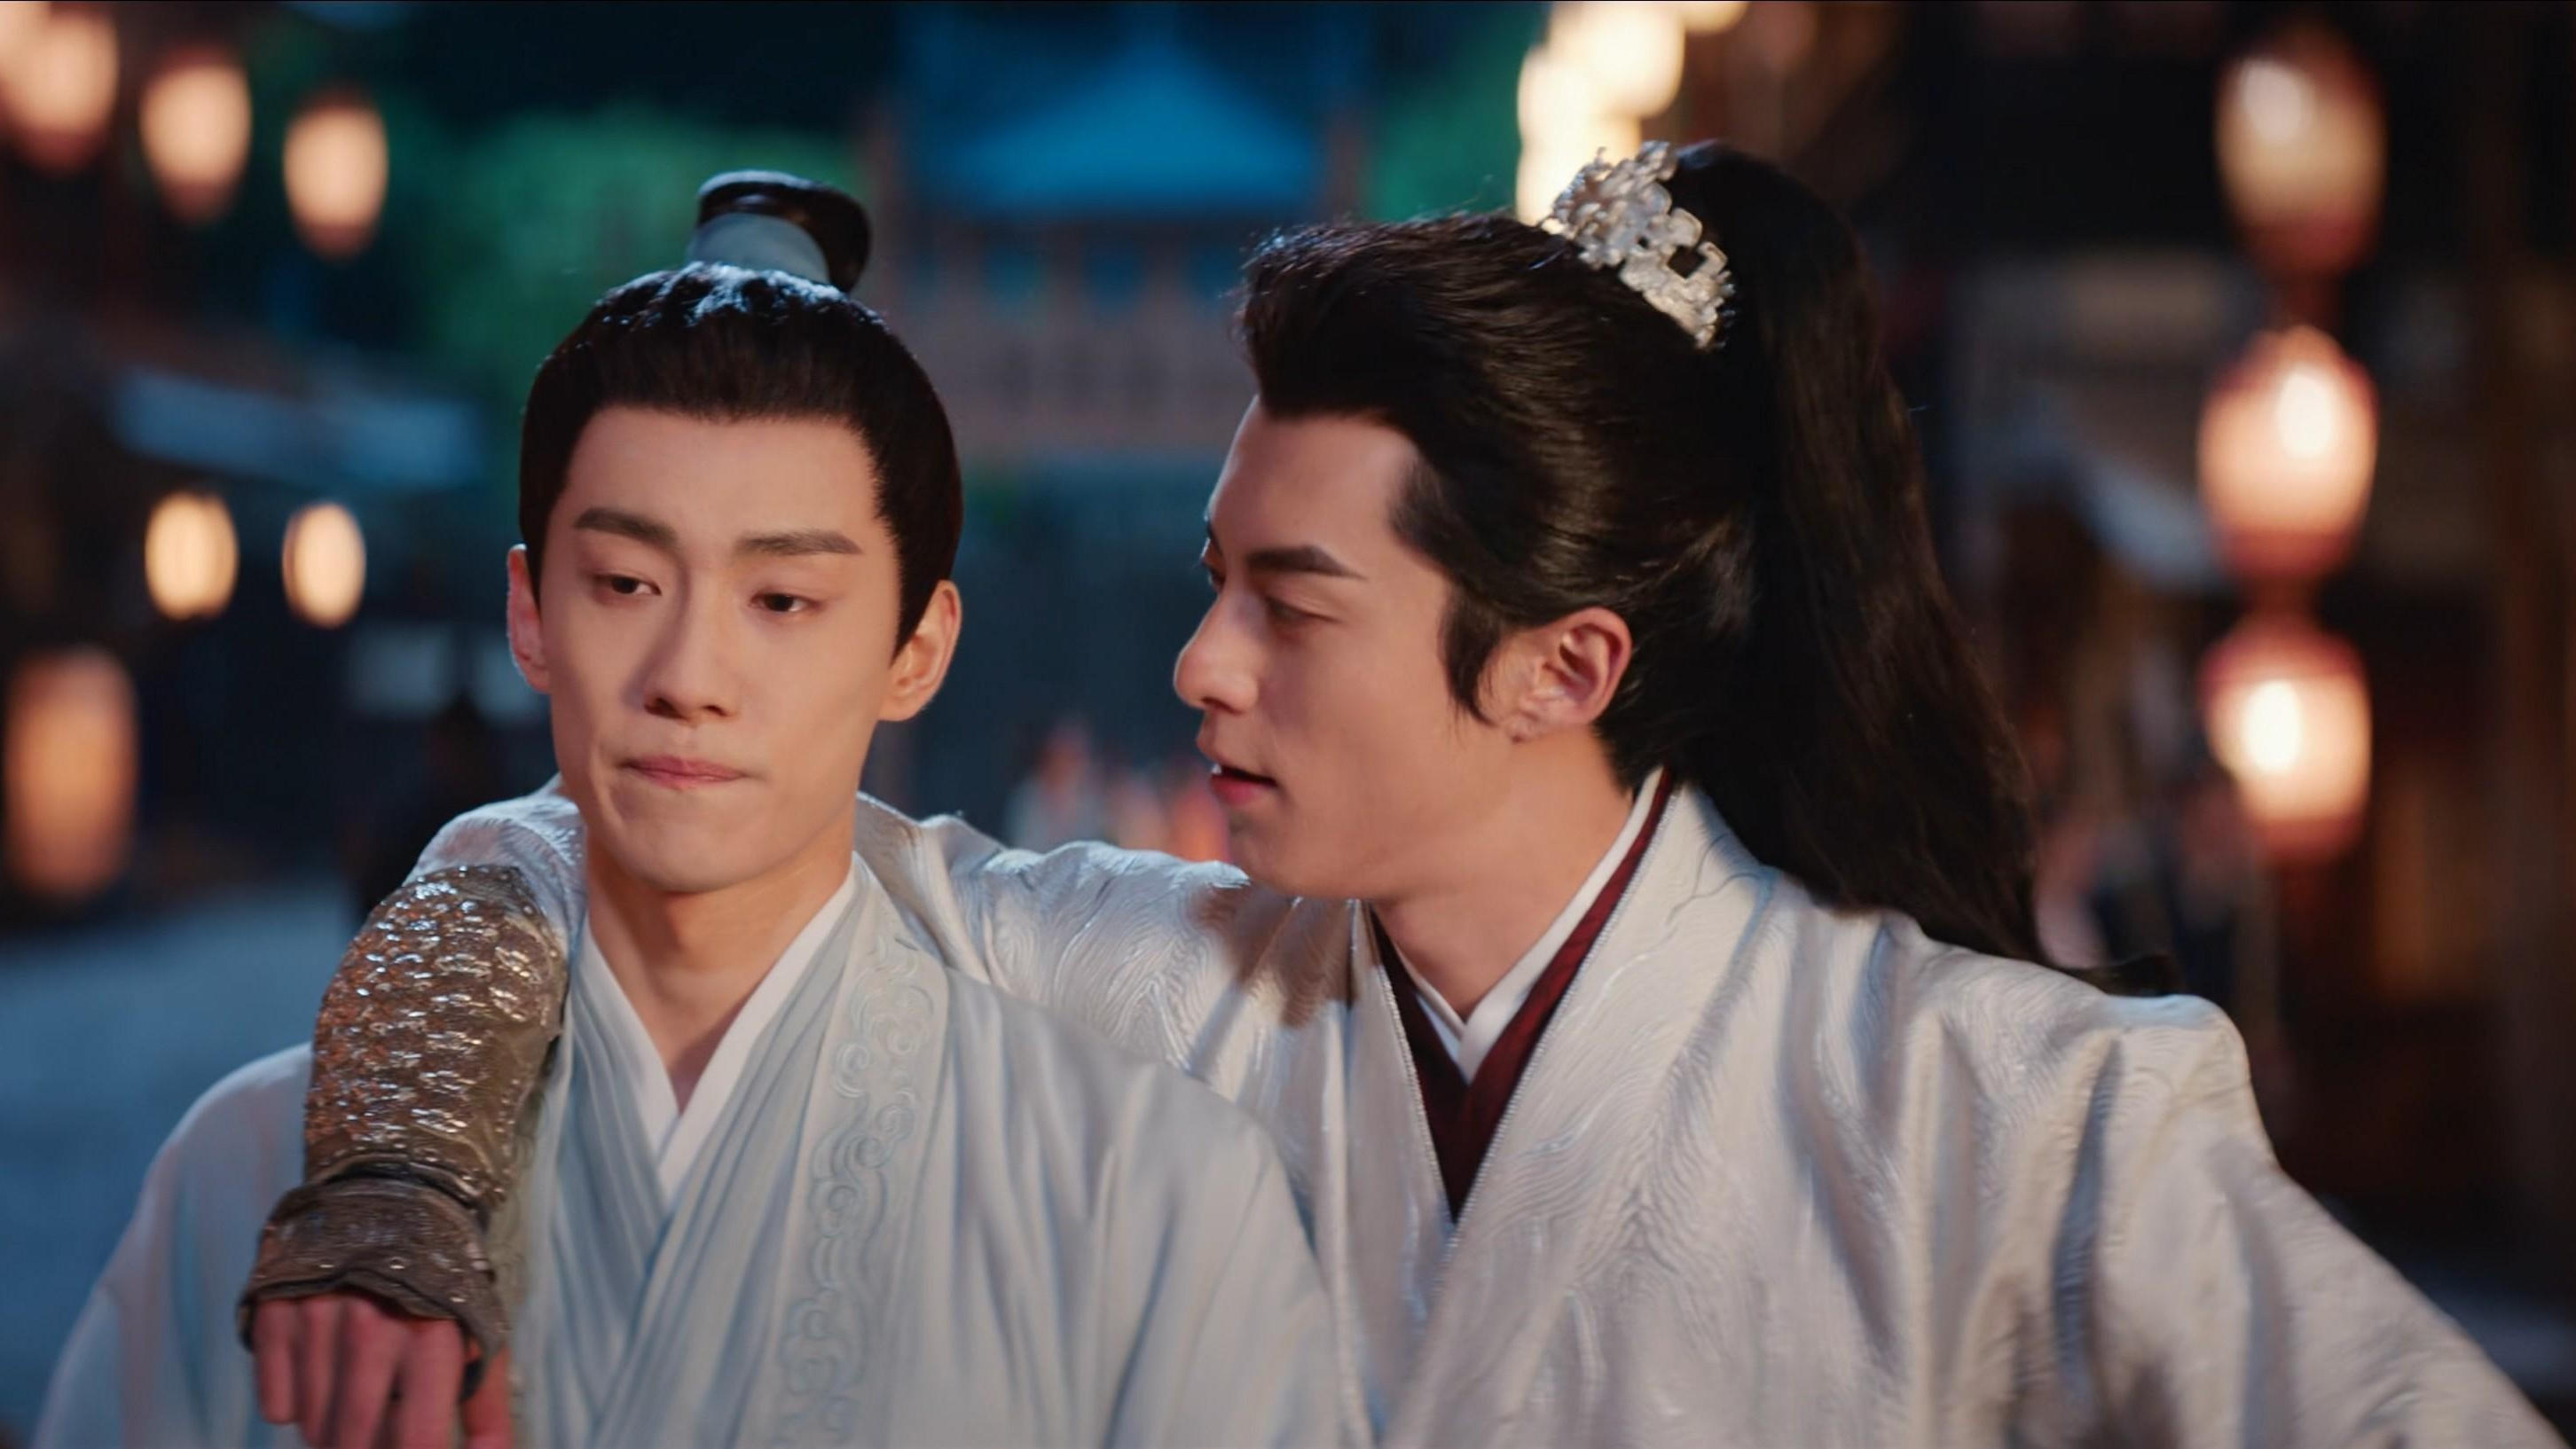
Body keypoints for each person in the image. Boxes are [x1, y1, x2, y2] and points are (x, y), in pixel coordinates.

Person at [232, 144, 2559, 1446]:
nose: (1199, 663)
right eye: (1210, 578)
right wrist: (401, 1166)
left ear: (1564, 665)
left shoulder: (2006, 1114)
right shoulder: (1176, 991)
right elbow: (646, 820)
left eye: (1293, 602)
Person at [35, 173, 1339, 1449]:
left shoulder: (1142, 1192)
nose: (689, 678)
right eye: (624, 583)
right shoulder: (262, 1174)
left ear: (917, 649)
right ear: (529, 614)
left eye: (783, 601)